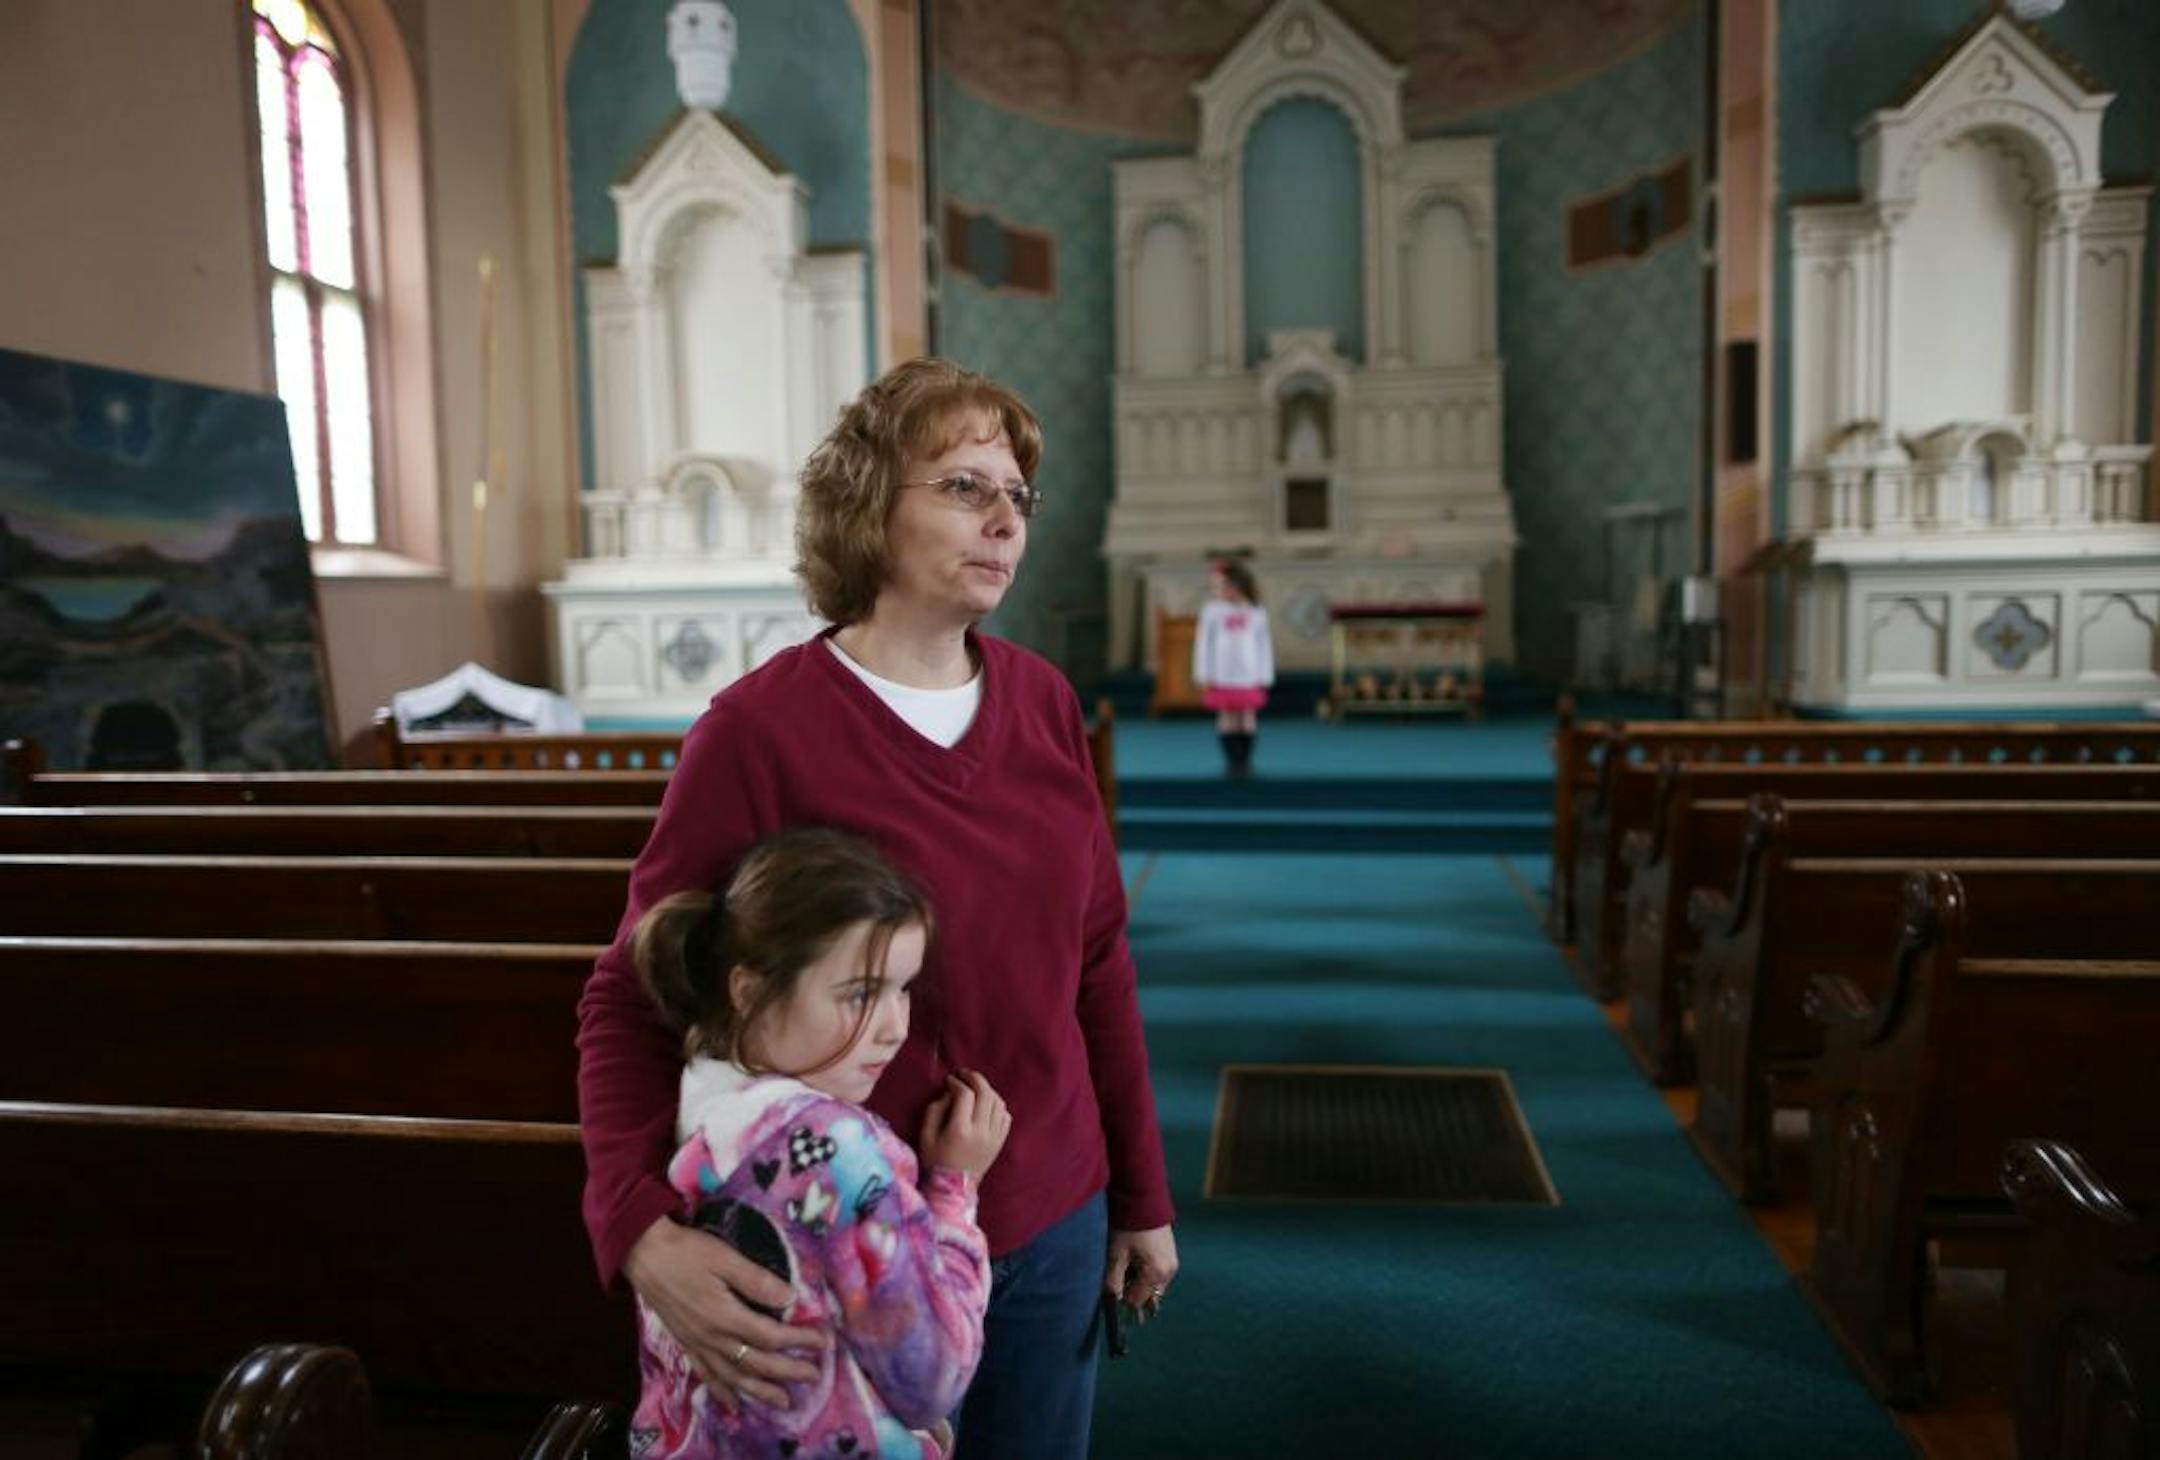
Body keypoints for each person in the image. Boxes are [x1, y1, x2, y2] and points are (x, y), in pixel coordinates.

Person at [576, 357, 1178, 1460]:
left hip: (1049, 1206)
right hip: (842, 1243)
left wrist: (1142, 1192)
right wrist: (632, 1223)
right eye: (963, 486)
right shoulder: (756, 732)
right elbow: (632, 989)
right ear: (866, 507)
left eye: (1018, 495)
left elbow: (1097, 958)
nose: (1005, 518)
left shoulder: (1043, 701)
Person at [628, 827, 1009, 1458]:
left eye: (903, 988)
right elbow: (931, 1378)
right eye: (859, 994)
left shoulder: (693, 1102)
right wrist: (955, 1188)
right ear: (749, 991)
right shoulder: (834, 1150)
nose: (894, 1028)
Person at [1192, 557, 1274, 778]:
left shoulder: (1256, 611)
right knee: (1227, 716)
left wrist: (1264, 675)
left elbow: (1263, 645)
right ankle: (1231, 762)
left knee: (1247, 717)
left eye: (1226, 586)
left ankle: (1245, 761)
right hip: (1222, 674)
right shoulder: (1212, 611)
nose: (1222, 590)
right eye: (1219, 587)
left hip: (1248, 674)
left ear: (1239, 585)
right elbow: (1203, 645)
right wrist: (1203, 674)